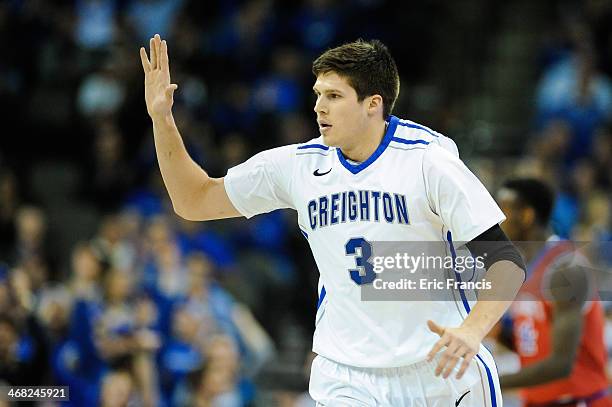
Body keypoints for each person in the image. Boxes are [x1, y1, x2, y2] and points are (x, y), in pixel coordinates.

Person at [140, 34, 526, 406]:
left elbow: (506, 260)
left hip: (440, 368)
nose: (319, 107)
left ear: (373, 104)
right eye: (318, 95)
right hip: (347, 375)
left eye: (334, 96)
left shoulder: (430, 161)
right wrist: (162, 119)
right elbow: (193, 200)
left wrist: (474, 330)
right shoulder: (299, 166)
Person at [497, 178, 611, 407]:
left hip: (579, 400)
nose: (497, 221)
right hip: (538, 400)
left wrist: (488, 381)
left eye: (503, 211)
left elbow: (561, 364)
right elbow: (534, 346)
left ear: (526, 215)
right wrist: (496, 334)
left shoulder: (566, 269)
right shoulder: (521, 267)